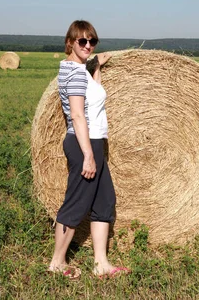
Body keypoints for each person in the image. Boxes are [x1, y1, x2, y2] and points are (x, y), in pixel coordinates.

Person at [48, 20, 129, 279]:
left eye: (92, 41)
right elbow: (78, 116)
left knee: (104, 201)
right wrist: (88, 156)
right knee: (77, 203)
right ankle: (57, 263)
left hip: (94, 141)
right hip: (84, 144)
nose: (88, 45)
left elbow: (93, 96)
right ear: (70, 42)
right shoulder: (72, 72)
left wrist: (96, 67)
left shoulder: (81, 70)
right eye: (82, 41)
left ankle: (101, 263)